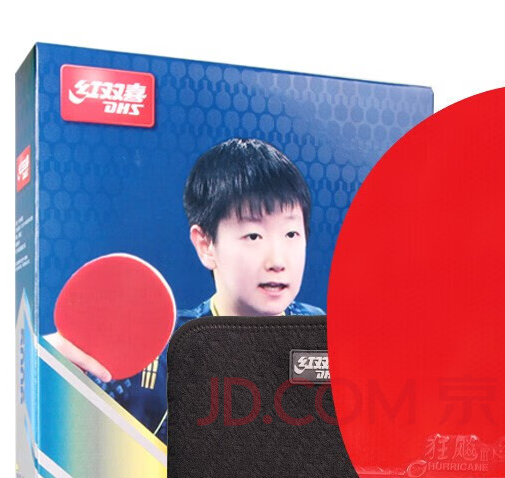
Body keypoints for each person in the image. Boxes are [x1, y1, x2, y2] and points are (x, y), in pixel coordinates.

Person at [47, 139, 323, 442]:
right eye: (253, 236)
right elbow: (74, 444)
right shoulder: (158, 354)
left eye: (291, 233)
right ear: (206, 245)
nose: (278, 261)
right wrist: (46, 380)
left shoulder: (322, 336)